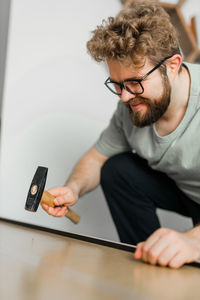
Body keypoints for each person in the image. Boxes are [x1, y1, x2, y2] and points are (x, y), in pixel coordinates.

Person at [41, 1, 200, 269]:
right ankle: (150, 261)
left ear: (172, 65)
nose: (125, 96)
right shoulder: (130, 108)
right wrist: (72, 189)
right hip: (187, 193)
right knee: (116, 169)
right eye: (117, 85)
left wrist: (194, 240)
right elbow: (95, 159)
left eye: (135, 83)